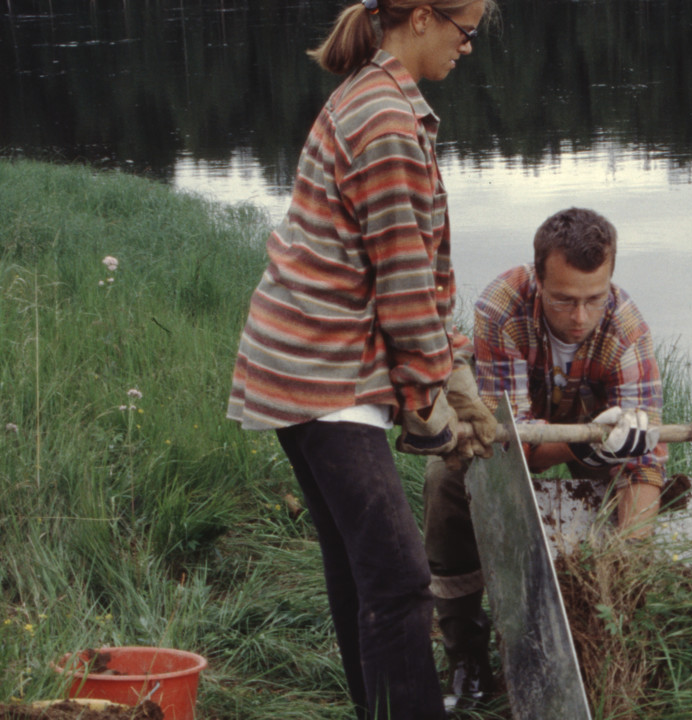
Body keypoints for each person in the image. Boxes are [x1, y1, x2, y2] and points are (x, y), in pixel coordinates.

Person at [225, 1, 497, 717]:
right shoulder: (385, 120)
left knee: (360, 566)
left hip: (304, 361)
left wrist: (457, 366)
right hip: (323, 373)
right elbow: (403, 278)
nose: (467, 48)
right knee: (401, 579)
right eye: (464, 32)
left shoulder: (378, 96)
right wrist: (425, 400)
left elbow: (419, 264)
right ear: (420, 18)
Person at [422, 207, 666, 709]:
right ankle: (466, 652)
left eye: (594, 299)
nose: (580, 318)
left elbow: (645, 462)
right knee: (445, 482)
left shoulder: (627, 330)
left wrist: (626, 564)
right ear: (538, 279)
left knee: (641, 494)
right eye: (563, 300)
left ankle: (606, 637)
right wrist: (584, 442)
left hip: (595, 451)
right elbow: (512, 446)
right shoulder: (501, 308)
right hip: (527, 440)